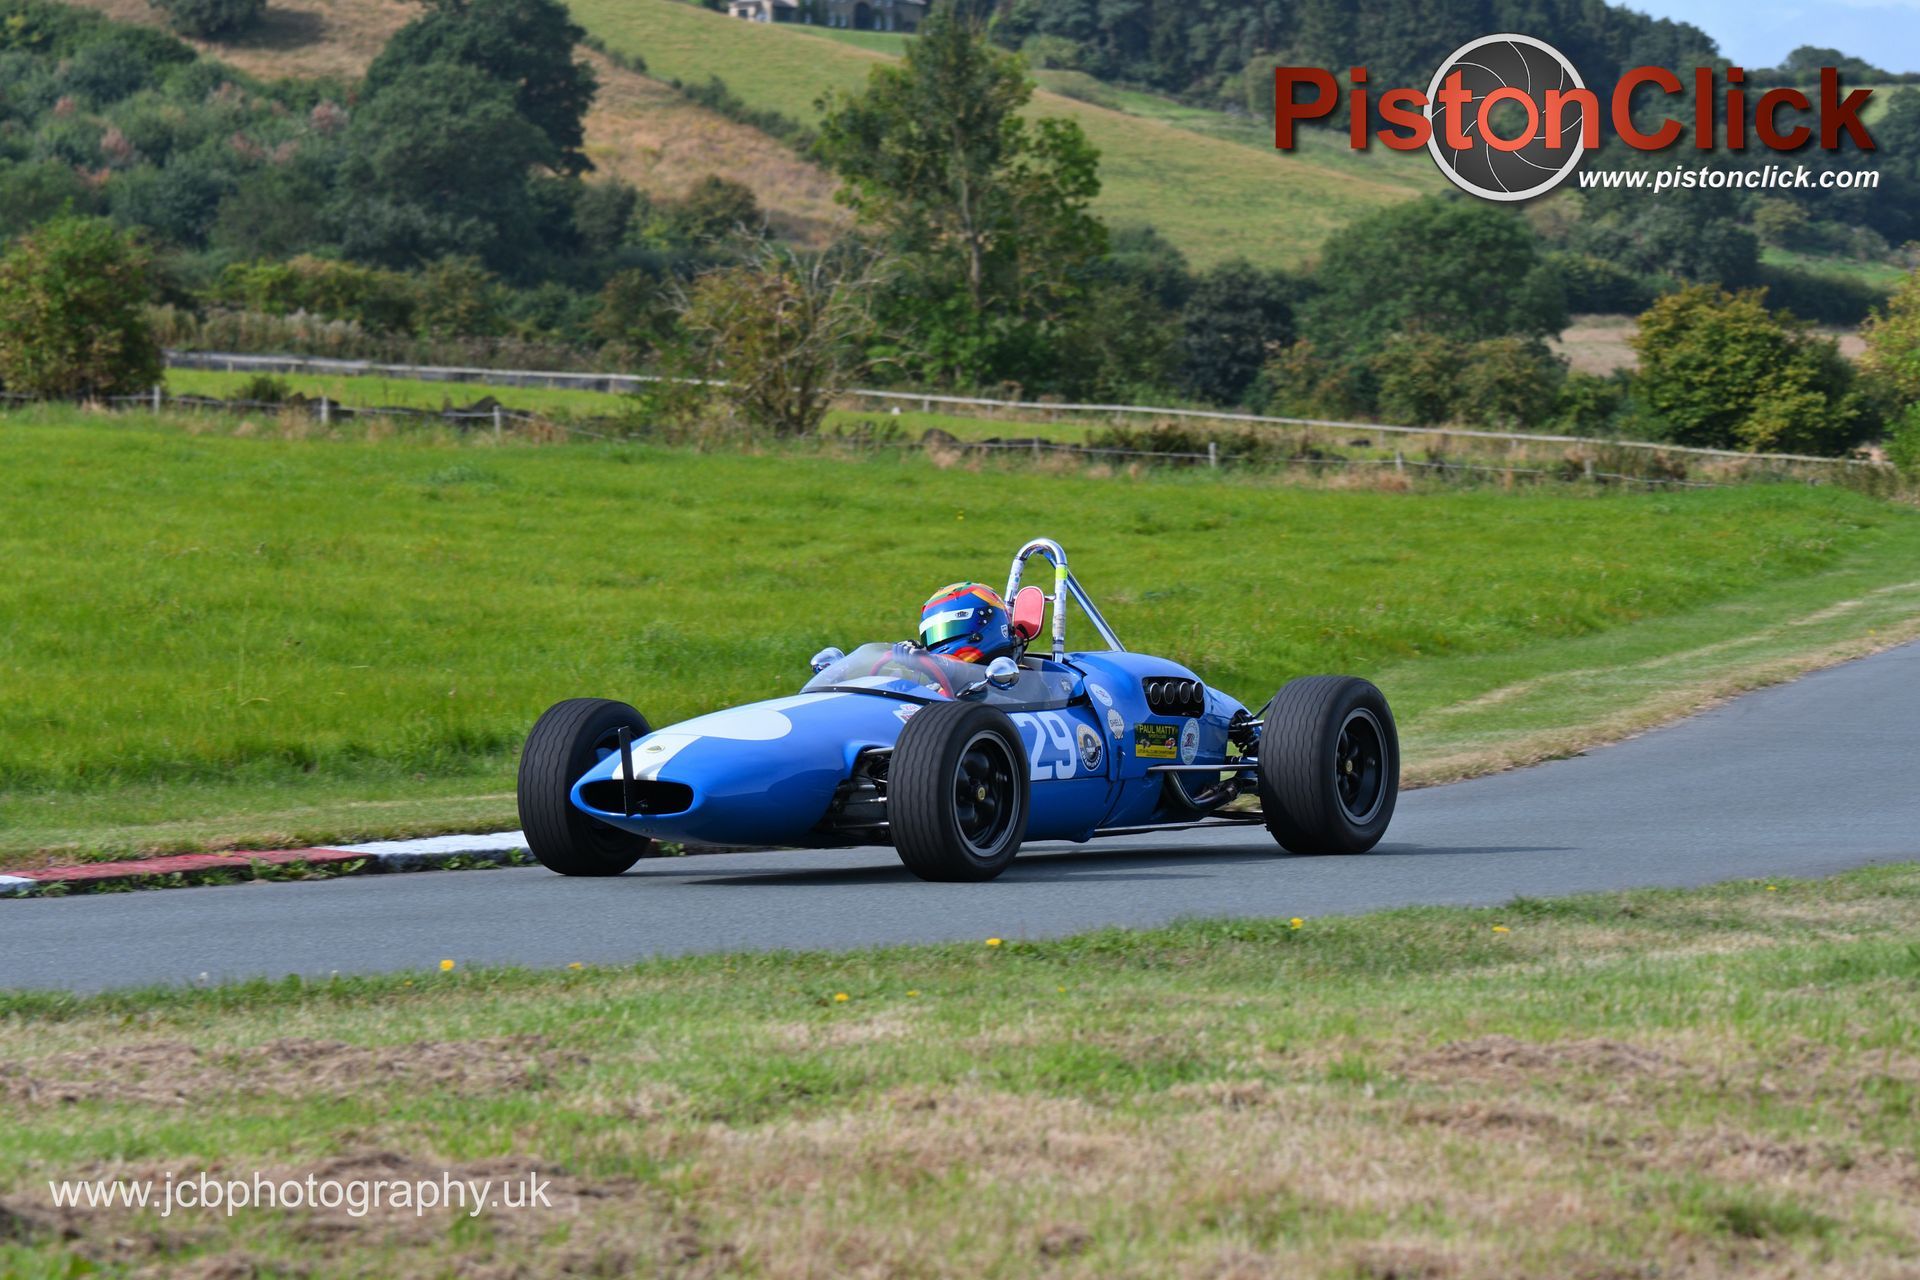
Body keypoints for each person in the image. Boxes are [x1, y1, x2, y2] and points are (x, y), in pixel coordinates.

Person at [916, 582, 1019, 664]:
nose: (940, 642)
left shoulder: (1009, 675)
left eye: (952, 628)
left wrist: (920, 660)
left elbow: (952, 668)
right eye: (932, 634)